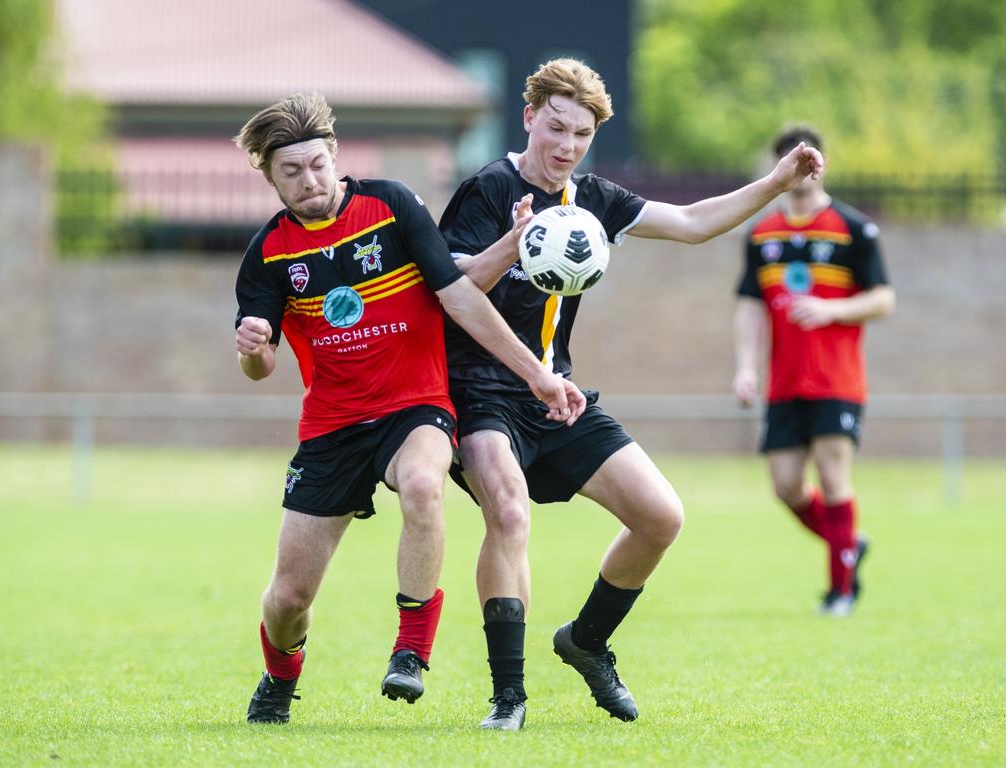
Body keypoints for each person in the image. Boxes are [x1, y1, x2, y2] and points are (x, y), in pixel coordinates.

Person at [437, 58, 824, 730]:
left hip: (556, 397)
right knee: (508, 510)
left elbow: (695, 222)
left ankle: (585, 642)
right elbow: (455, 289)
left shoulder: (593, 199)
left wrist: (777, 180)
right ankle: (509, 698)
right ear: (528, 118)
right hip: (480, 393)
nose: (566, 145)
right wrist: (514, 245)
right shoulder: (485, 189)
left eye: (581, 134)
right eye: (556, 127)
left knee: (660, 517)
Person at [233, 93, 586, 724]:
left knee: (424, 484)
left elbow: (462, 297)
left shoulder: (390, 205)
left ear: (334, 156)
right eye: (292, 171)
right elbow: (260, 367)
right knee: (287, 600)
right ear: (269, 176)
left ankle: (410, 653)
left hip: (415, 405)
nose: (309, 180)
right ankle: (279, 680)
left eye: (318, 164)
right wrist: (254, 349)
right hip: (332, 427)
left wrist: (537, 373)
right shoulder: (269, 253)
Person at [733, 125, 895, 617]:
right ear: (779, 165)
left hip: (836, 381)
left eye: (809, 159)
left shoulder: (854, 228)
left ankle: (840, 591)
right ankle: (847, 543)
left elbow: (884, 299)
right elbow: (748, 305)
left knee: (833, 477)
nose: (801, 167)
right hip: (784, 383)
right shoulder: (761, 235)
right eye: (790, 158)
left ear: (822, 164)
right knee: (785, 485)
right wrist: (745, 368)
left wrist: (831, 312)